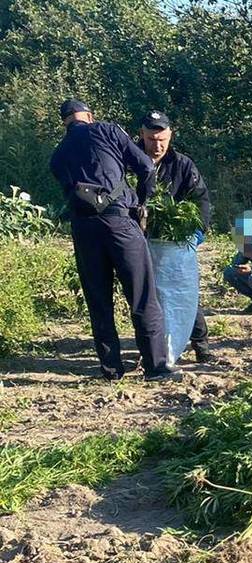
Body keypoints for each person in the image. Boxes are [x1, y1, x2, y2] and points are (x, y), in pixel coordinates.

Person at [48, 99, 178, 381]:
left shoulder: (58, 154)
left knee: (98, 300)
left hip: (83, 228)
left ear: (65, 123)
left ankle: (111, 369)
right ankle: (156, 368)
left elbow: (64, 184)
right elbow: (145, 167)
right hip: (120, 222)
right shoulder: (108, 130)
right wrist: (140, 202)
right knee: (142, 295)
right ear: (89, 116)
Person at [138, 109, 216, 363]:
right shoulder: (129, 161)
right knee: (149, 296)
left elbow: (201, 199)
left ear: (170, 135)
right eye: (151, 139)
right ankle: (153, 349)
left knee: (183, 291)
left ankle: (200, 345)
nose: (157, 145)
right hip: (142, 240)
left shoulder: (182, 165)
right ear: (142, 134)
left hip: (176, 242)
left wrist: (197, 231)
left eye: (162, 140)